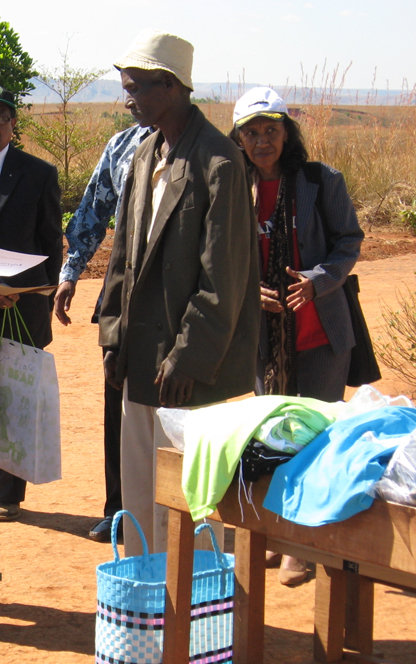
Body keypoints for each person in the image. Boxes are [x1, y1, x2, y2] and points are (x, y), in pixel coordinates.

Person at [98, 30, 259, 556]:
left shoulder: (220, 161)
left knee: (194, 507)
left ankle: (198, 621)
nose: (128, 99)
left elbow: (225, 276)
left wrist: (189, 359)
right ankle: (153, 612)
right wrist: (112, 338)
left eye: (137, 88)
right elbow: (122, 256)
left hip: (190, 373)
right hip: (140, 360)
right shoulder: (145, 152)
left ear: (170, 86)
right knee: (142, 501)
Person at [229, 86, 363, 586]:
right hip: (264, 339)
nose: (262, 141)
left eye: (271, 130)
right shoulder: (233, 186)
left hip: (321, 332)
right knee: (275, 434)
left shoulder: (319, 180)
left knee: (317, 436)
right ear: (238, 139)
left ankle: (302, 548)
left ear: (288, 133)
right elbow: (221, 258)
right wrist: (246, 294)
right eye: (251, 132)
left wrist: (319, 280)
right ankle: (278, 535)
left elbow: (350, 241)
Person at [0, 81, 63, 522]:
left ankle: (8, 496)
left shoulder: (38, 174)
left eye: (0, 116)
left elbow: (48, 248)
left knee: (13, 395)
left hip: (19, 308)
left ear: (14, 124)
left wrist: (23, 293)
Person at [55, 123, 152, 541]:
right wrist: (71, 272)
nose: (129, 97)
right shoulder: (123, 144)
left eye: (137, 84)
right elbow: (93, 212)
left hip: (182, 300)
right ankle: (120, 513)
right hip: (124, 296)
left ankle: (175, 517)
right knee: (120, 408)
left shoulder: (202, 149)